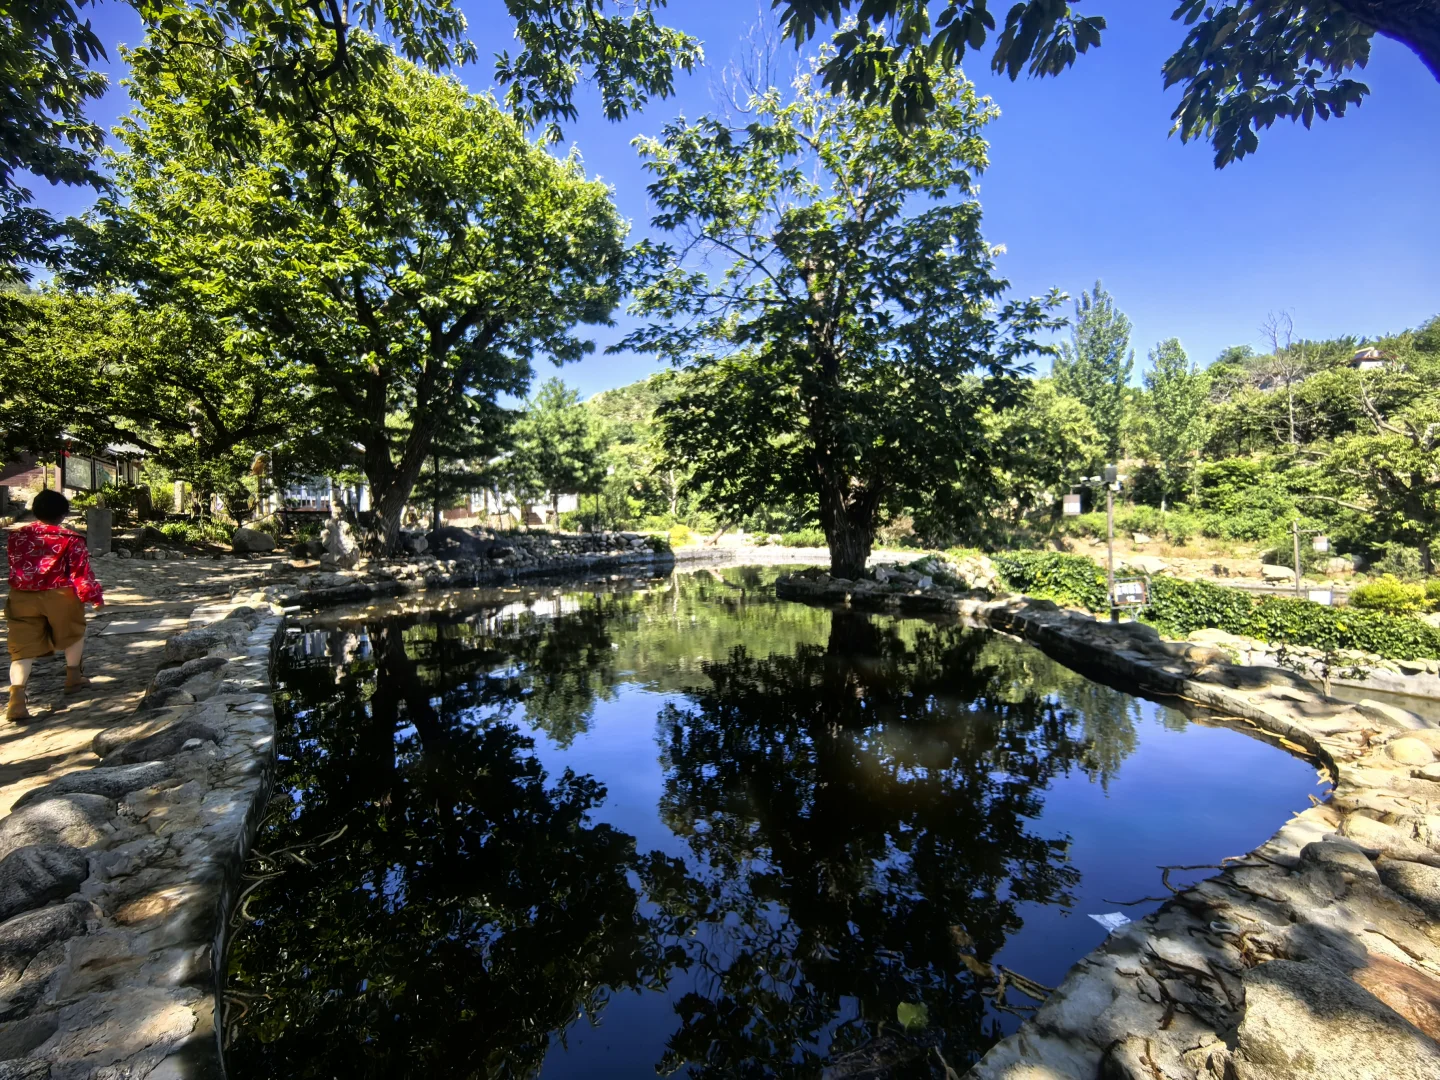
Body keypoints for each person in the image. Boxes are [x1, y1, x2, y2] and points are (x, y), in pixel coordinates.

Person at [5, 489, 105, 721]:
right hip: (60, 594)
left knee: (21, 648)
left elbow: (14, 563)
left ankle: (17, 698)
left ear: (35, 511)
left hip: (22, 595)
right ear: (62, 514)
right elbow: (80, 573)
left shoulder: (17, 536)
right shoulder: (71, 539)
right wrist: (94, 597)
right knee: (73, 632)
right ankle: (73, 678)